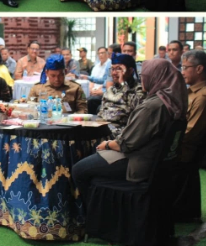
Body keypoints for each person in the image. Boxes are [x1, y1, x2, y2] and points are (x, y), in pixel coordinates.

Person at [72, 59, 188, 200]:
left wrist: (107, 145)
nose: (141, 79)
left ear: (154, 77)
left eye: (143, 75)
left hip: (138, 163)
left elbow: (125, 144)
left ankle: (94, 211)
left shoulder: (152, 107)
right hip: (158, 163)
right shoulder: (173, 101)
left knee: (79, 169)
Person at [180, 50, 206, 163]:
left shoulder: (204, 97)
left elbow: (188, 134)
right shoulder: (192, 92)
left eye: (185, 68)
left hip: (183, 157)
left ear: (199, 69)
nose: (182, 72)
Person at [97, 53, 144, 137]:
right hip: (104, 127)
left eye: (119, 69)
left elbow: (135, 109)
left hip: (123, 131)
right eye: (112, 69)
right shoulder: (112, 90)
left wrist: (123, 84)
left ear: (130, 70)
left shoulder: (139, 89)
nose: (114, 73)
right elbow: (102, 112)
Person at [87, 47, 111, 115]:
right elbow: (91, 81)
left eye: (102, 53)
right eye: (99, 53)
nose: (100, 55)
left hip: (102, 90)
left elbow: (106, 81)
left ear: (107, 54)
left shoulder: (109, 65)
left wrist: (99, 90)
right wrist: (90, 89)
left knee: (91, 100)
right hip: (94, 91)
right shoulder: (96, 66)